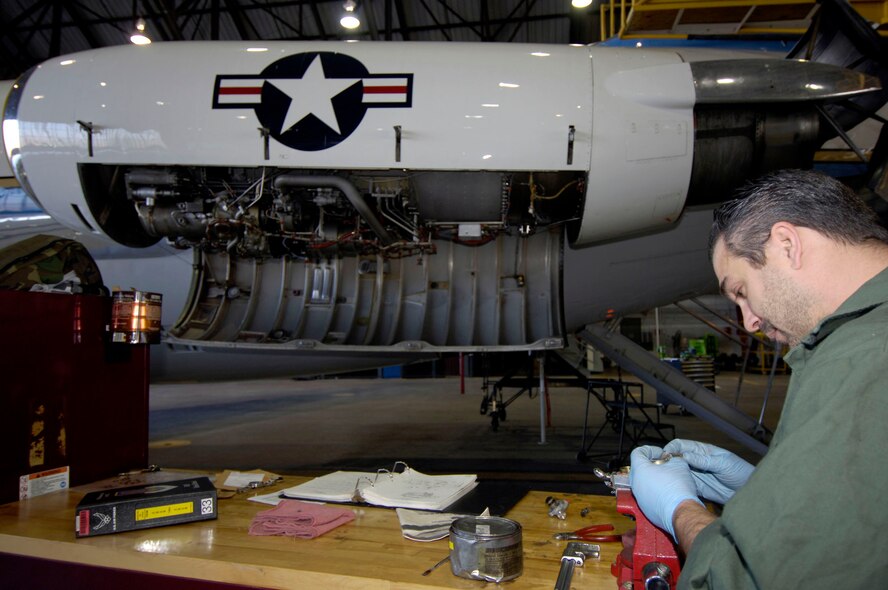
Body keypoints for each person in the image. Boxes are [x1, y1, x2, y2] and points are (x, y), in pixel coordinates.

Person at [628, 169, 888, 588]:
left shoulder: (862, 357)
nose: (748, 323)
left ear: (787, 245)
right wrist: (766, 491)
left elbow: (747, 581)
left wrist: (682, 511)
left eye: (741, 291)